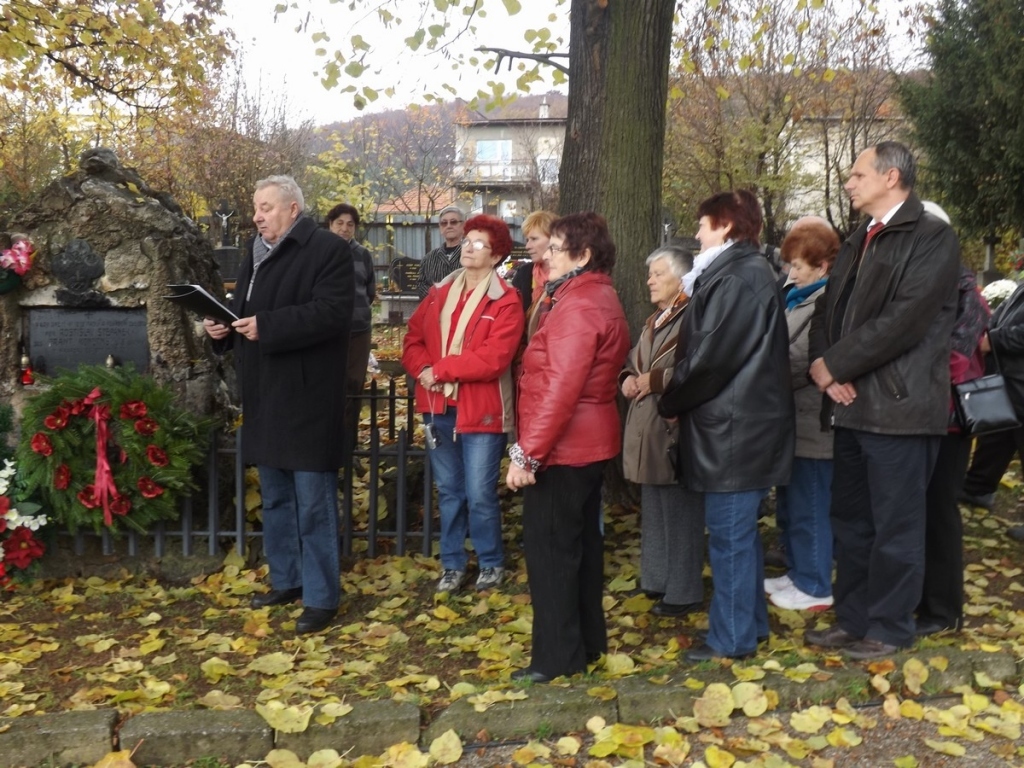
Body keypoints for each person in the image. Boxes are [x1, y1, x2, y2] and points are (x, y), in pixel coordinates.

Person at [805, 141, 960, 660]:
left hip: (900, 408)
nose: (849, 182)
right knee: (851, 524)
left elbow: (905, 320)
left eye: (858, 174)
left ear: (891, 177)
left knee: (896, 528)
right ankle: (854, 620)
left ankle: (890, 627)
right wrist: (824, 369)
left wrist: (836, 365)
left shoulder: (932, 237)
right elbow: (827, 309)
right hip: (850, 404)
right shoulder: (859, 238)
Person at [204, 175, 353, 635]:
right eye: (256, 208)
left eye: (266, 207)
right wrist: (223, 329)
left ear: (292, 209)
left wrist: (267, 325)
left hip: (308, 398)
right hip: (264, 395)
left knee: (313, 505)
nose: (257, 216)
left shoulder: (328, 249)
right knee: (276, 501)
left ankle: (322, 597)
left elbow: (333, 313)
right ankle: (287, 581)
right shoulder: (255, 251)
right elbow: (245, 310)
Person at [658, 190, 794, 661]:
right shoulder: (738, 272)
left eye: (703, 224)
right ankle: (749, 626)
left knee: (730, 537)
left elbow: (709, 361)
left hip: (735, 430)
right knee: (739, 536)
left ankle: (732, 639)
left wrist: (671, 400)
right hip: (736, 426)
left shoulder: (737, 276)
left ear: (726, 225)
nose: (696, 233)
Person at [506, 212, 630, 682]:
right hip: (582, 442)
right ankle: (587, 646)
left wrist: (527, 454)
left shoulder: (579, 304)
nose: (546, 257)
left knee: (552, 553)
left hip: (565, 447)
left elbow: (559, 388)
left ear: (583, 255)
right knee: (580, 548)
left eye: (556, 249)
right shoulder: (590, 295)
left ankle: (557, 660)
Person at [402, 214, 525, 593]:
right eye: (467, 241)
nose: (468, 248)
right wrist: (423, 369)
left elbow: (493, 358)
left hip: (481, 411)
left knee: (480, 493)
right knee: (449, 492)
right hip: (437, 408)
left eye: (478, 243)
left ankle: (490, 562)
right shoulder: (439, 293)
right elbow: (412, 339)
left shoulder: (506, 300)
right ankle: (452, 564)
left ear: (496, 255)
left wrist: (439, 370)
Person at [620, 245, 705, 617]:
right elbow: (634, 360)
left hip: (675, 427)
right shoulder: (654, 319)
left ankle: (684, 591)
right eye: (650, 274)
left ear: (681, 279)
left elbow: (700, 367)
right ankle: (656, 580)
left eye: (658, 274)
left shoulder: (693, 316)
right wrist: (627, 378)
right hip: (649, 425)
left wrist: (654, 380)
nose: (650, 281)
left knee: (680, 511)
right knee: (654, 506)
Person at [765, 217, 839, 612]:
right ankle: (798, 571)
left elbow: (802, 359)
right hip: (793, 418)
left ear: (822, 266)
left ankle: (814, 584)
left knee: (810, 504)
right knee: (792, 503)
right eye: (789, 265)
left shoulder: (824, 302)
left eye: (797, 266)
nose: (791, 273)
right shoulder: (796, 297)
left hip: (813, 421)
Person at [326, 203, 377, 466]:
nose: (345, 229)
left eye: (350, 224)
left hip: (358, 331)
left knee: (353, 387)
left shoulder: (362, 255)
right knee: (328, 386)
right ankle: (327, 446)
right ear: (330, 225)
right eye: (340, 223)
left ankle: (349, 449)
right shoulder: (320, 252)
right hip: (327, 331)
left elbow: (369, 291)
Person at [511, 210, 556, 313]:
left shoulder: (569, 276)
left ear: (553, 239)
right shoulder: (524, 274)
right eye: (527, 240)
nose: (527, 246)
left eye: (534, 239)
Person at [417, 205, 465, 299]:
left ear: (463, 225)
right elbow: (421, 285)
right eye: (444, 223)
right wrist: (438, 298)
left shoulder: (472, 254)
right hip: (435, 305)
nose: (449, 226)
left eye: (453, 222)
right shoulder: (429, 258)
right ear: (440, 227)